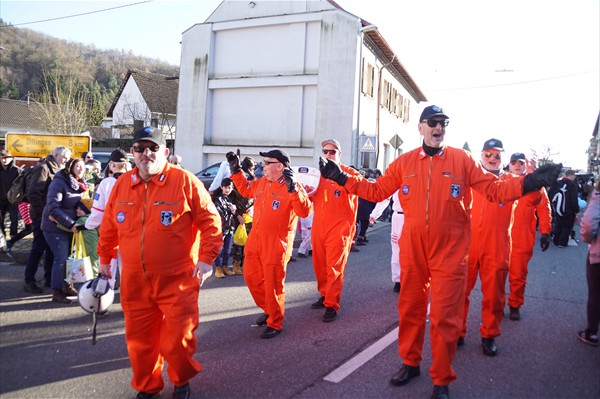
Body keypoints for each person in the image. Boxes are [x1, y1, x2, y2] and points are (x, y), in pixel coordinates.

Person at [318, 105, 561, 399]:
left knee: (446, 316)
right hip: (414, 249)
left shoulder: (462, 160)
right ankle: (410, 362)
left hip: (451, 252)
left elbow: (495, 191)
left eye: (443, 123)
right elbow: (377, 191)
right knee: (410, 309)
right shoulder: (404, 162)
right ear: (421, 127)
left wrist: (530, 182)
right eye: (433, 123)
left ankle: (442, 379)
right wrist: (341, 178)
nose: (439, 128)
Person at [97, 127, 222, 399]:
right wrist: (104, 259)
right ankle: (148, 386)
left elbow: (211, 222)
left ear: (166, 152)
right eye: (140, 148)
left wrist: (206, 259)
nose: (146, 154)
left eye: (153, 148)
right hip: (134, 280)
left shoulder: (185, 182)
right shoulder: (121, 184)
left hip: (178, 279)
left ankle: (181, 380)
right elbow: (108, 227)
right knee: (141, 342)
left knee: (178, 339)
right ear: (133, 153)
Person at [228, 149, 311, 338]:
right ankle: (268, 308)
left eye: (267, 162)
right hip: (256, 240)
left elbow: (305, 211)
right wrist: (235, 170)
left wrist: (294, 190)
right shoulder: (263, 182)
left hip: (276, 244)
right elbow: (246, 189)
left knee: (273, 284)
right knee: (250, 277)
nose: (262, 165)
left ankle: (275, 321)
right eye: (263, 162)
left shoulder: (293, 186)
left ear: (280, 166)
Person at [460, 139, 518, 357]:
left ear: (503, 158)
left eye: (497, 155)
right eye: (488, 154)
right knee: (459, 291)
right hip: (468, 243)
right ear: (481, 155)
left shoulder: (512, 181)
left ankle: (489, 335)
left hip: (497, 244)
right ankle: (457, 331)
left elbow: (531, 195)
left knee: (494, 294)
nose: (492, 159)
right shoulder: (470, 179)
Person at [309, 139, 360, 322]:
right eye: (325, 151)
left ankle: (331, 304)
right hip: (319, 226)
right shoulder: (317, 175)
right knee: (320, 265)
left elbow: (362, 188)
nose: (328, 154)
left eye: (332, 151)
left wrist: (341, 178)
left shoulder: (349, 173)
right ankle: (324, 294)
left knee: (334, 266)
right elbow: (308, 197)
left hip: (340, 227)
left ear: (340, 153)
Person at [507, 152, 552, 321]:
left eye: (520, 162)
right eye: (514, 162)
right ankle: (495, 305)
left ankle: (515, 304)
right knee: (494, 276)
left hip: (522, 239)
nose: (517, 165)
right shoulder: (500, 182)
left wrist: (545, 232)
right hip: (499, 239)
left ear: (525, 165)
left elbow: (544, 209)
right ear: (509, 164)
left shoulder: (535, 186)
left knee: (518, 275)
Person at [23, 146, 71, 294]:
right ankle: (29, 280)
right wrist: (43, 213)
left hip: (52, 216)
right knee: (38, 247)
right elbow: (33, 193)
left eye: (68, 159)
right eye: (64, 158)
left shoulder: (58, 169)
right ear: (56, 155)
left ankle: (49, 277)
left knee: (51, 249)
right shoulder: (44, 168)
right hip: (41, 216)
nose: (66, 161)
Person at [42, 157, 88, 304]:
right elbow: (53, 208)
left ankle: (67, 285)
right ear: (70, 167)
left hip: (70, 227)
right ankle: (57, 291)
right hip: (54, 227)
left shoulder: (82, 184)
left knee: (70, 258)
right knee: (61, 259)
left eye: (83, 166)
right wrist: (71, 224)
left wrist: (83, 213)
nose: (81, 169)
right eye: (78, 166)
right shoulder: (59, 182)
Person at [84, 149, 130, 288]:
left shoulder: (106, 183)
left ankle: (103, 298)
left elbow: (98, 212)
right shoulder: (133, 181)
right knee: (128, 269)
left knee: (107, 268)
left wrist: (87, 225)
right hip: (130, 231)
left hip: (111, 230)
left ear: (111, 165)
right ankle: (130, 300)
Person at [578, 178, 600, 346]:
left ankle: (592, 333)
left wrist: (588, 240)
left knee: (596, 293)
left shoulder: (598, 197)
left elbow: (588, 223)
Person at [370, 190, 403, 292]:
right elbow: (385, 196)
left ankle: (413, 280)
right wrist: (375, 214)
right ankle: (398, 281)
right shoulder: (397, 179)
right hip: (399, 217)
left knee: (415, 251)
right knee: (397, 250)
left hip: (416, 218)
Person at [230, 156, 256, 275]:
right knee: (239, 240)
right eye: (253, 167)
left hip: (249, 214)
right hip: (239, 215)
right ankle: (237, 264)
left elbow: (254, 196)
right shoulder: (238, 179)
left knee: (247, 241)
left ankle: (244, 264)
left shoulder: (252, 179)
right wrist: (237, 215)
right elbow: (232, 199)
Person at [211, 177, 238, 278]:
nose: (227, 189)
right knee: (219, 249)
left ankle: (225, 266)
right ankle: (218, 268)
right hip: (220, 228)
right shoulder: (218, 198)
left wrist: (233, 210)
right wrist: (231, 209)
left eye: (230, 188)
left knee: (228, 249)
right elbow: (219, 212)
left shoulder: (230, 198)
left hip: (229, 227)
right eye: (226, 187)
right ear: (221, 187)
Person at [549, 169, 580, 247]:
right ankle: (562, 242)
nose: (574, 177)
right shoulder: (572, 185)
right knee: (567, 226)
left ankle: (556, 240)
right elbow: (574, 198)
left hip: (558, 208)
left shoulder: (558, 183)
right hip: (569, 208)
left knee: (558, 224)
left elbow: (550, 194)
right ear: (571, 175)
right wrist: (576, 209)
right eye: (574, 175)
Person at [0, 150, 21, 247]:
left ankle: (13, 239)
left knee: (14, 219)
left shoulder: (16, 170)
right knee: (1, 220)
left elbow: (21, 185)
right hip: (0, 199)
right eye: (2, 158)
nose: (4, 161)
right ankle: (2, 239)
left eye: (6, 158)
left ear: (10, 159)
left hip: (12, 199)